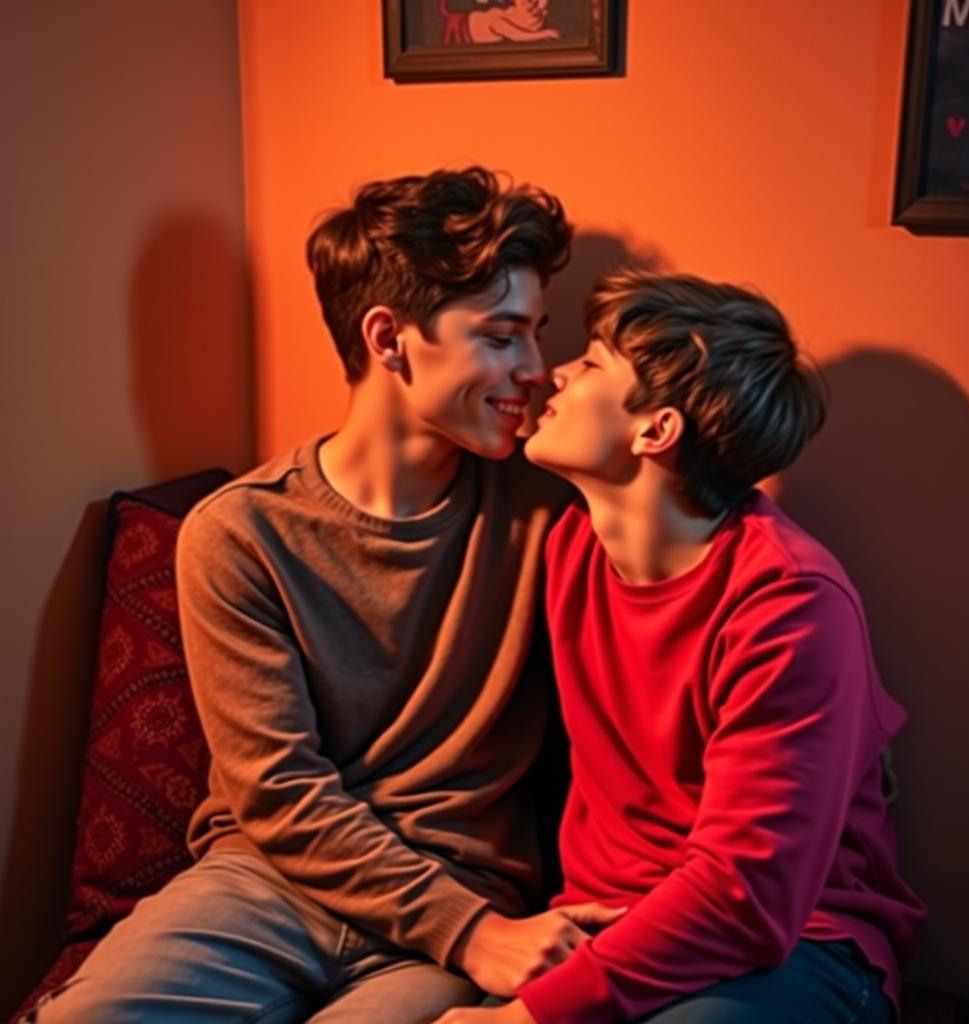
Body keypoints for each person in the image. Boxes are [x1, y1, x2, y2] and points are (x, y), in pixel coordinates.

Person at [27, 167, 624, 1024]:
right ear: (389, 338)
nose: (535, 370)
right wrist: (473, 934)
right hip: (266, 888)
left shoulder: (551, 513)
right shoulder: (239, 533)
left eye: (538, 333)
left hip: (464, 896)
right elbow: (280, 793)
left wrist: (477, 930)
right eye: (502, 337)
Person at [434, 270, 925, 1024]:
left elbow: (747, 897)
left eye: (592, 364)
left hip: (798, 945)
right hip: (603, 921)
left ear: (655, 430)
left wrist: (523, 1020)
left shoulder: (789, 603)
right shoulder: (569, 544)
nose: (554, 372)